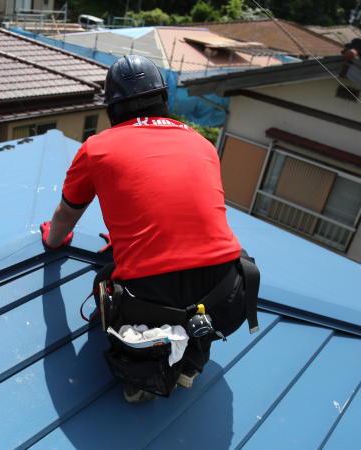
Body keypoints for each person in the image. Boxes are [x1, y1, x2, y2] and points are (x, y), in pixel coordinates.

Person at [40, 54, 255, 403]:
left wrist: (55, 240)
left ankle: (143, 373)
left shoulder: (96, 148)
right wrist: (132, 236)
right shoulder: (201, 143)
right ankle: (193, 354)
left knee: (103, 282)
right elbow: (184, 209)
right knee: (228, 259)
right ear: (164, 100)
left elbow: (65, 217)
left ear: (111, 111)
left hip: (150, 306)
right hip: (228, 297)